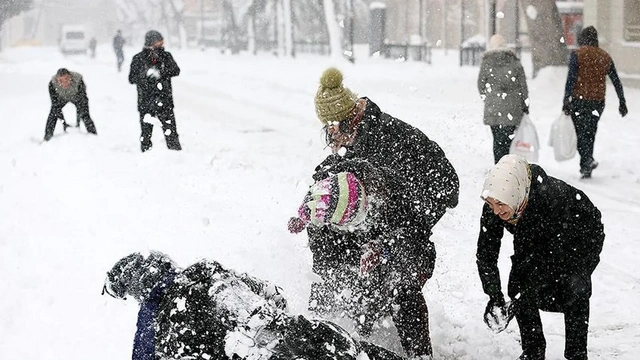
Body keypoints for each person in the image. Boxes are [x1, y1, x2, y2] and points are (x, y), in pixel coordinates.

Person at [294, 67, 460, 359]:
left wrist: (388, 241)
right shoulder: (353, 145)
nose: (331, 136)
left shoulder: (391, 141)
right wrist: (311, 212)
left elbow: (446, 188)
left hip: (413, 218)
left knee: (399, 281)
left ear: (350, 119)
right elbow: (327, 193)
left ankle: (419, 354)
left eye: (332, 127)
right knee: (336, 273)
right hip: (374, 220)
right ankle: (331, 337)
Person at [102, 251, 406, 360]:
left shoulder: (160, 328)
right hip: (304, 333)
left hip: (265, 351)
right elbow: (276, 294)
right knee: (354, 349)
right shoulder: (209, 270)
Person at [476, 155, 605, 360]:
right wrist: (494, 296)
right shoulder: (497, 202)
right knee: (518, 286)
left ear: (515, 194)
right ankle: (533, 351)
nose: (496, 210)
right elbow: (485, 255)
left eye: (500, 204)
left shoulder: (549, 198)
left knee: (574, 288)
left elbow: (537, 255)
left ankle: (577, 353)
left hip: (579, 234)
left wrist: (581, 270)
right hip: (540, 238)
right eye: (490, 203)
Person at [562, 25, 628, 179]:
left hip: (579, 101)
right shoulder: (604, 56)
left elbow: (571, 79)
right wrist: (622, 101)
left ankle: (586, 161)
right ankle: (587, 164)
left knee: (580, 134)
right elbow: (616, 80)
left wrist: (566, 99)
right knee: (590, 132)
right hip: (597, 102)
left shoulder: (577, 55)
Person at [477, 34, 530, 164]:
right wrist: (525, 104)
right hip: (513, 107)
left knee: (497, 140)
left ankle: (498, 165)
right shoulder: (515, 62)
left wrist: (489, 98)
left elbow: (481, 84)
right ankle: (506, 165)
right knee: (508, 140)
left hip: (493, 108)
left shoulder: (487, 62)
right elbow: (523, 86)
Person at [128, 30, 182, 152]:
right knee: (146, 134)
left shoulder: (166, 56)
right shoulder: (138, 58)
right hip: (146, 102)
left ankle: (176, 156)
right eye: (159, 41)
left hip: (165, 100)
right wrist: (145, 76)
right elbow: (132, 78)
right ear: (151, 42)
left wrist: (161, 73)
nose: (161, 43)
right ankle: (146, 157)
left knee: (171, 132)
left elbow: (176, 70)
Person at [44, 68, 98, 141]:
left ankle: (93, 136)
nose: (64, 83)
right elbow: (55, 105)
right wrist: (64, 123)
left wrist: (78, 122)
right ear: (57, 80)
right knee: (53, 113)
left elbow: (83, 101)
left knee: (85, 114)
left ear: (70, 77)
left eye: (66, 79)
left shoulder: (78, 80)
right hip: (61, 98)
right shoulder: (52, 84)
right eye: (61, 81)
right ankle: (47, 137)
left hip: (76, 96)